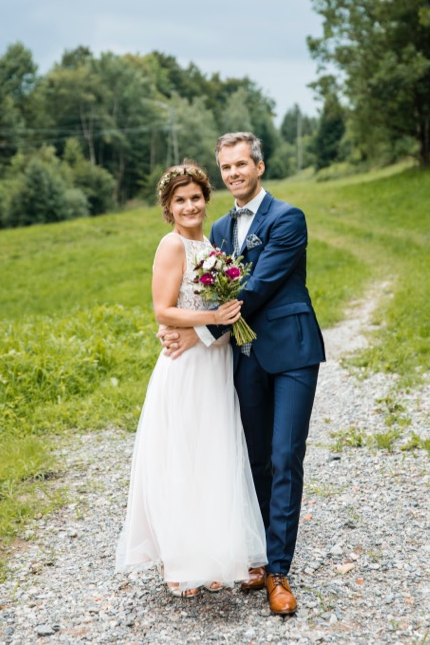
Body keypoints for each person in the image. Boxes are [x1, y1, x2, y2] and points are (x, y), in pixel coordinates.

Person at [158, 132, 326, 615]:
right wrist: (174, 327)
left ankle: (278, 572)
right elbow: (201, 292)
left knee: (284, 455)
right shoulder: (216, 229)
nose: (234, 173)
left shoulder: (288, 218)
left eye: (241, 164)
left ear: (259, 166)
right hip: (243, 357)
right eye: (226, 167)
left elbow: (257, 287)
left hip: (292, 352)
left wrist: (200, 334)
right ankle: (255, 556)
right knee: (252, 459)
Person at [114, 161, 267, 597]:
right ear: (168, 207)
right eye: (179, 200)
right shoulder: (172, 245)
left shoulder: (213, 243)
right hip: (186, 369)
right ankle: (179, 563)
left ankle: (210, 555)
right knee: (182, 457)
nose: (189, 206)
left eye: (196, 197)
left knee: (213, 457)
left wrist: (212, 323)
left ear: (206, 199)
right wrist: (210, 318)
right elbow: (162, 310)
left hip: (216, 365)